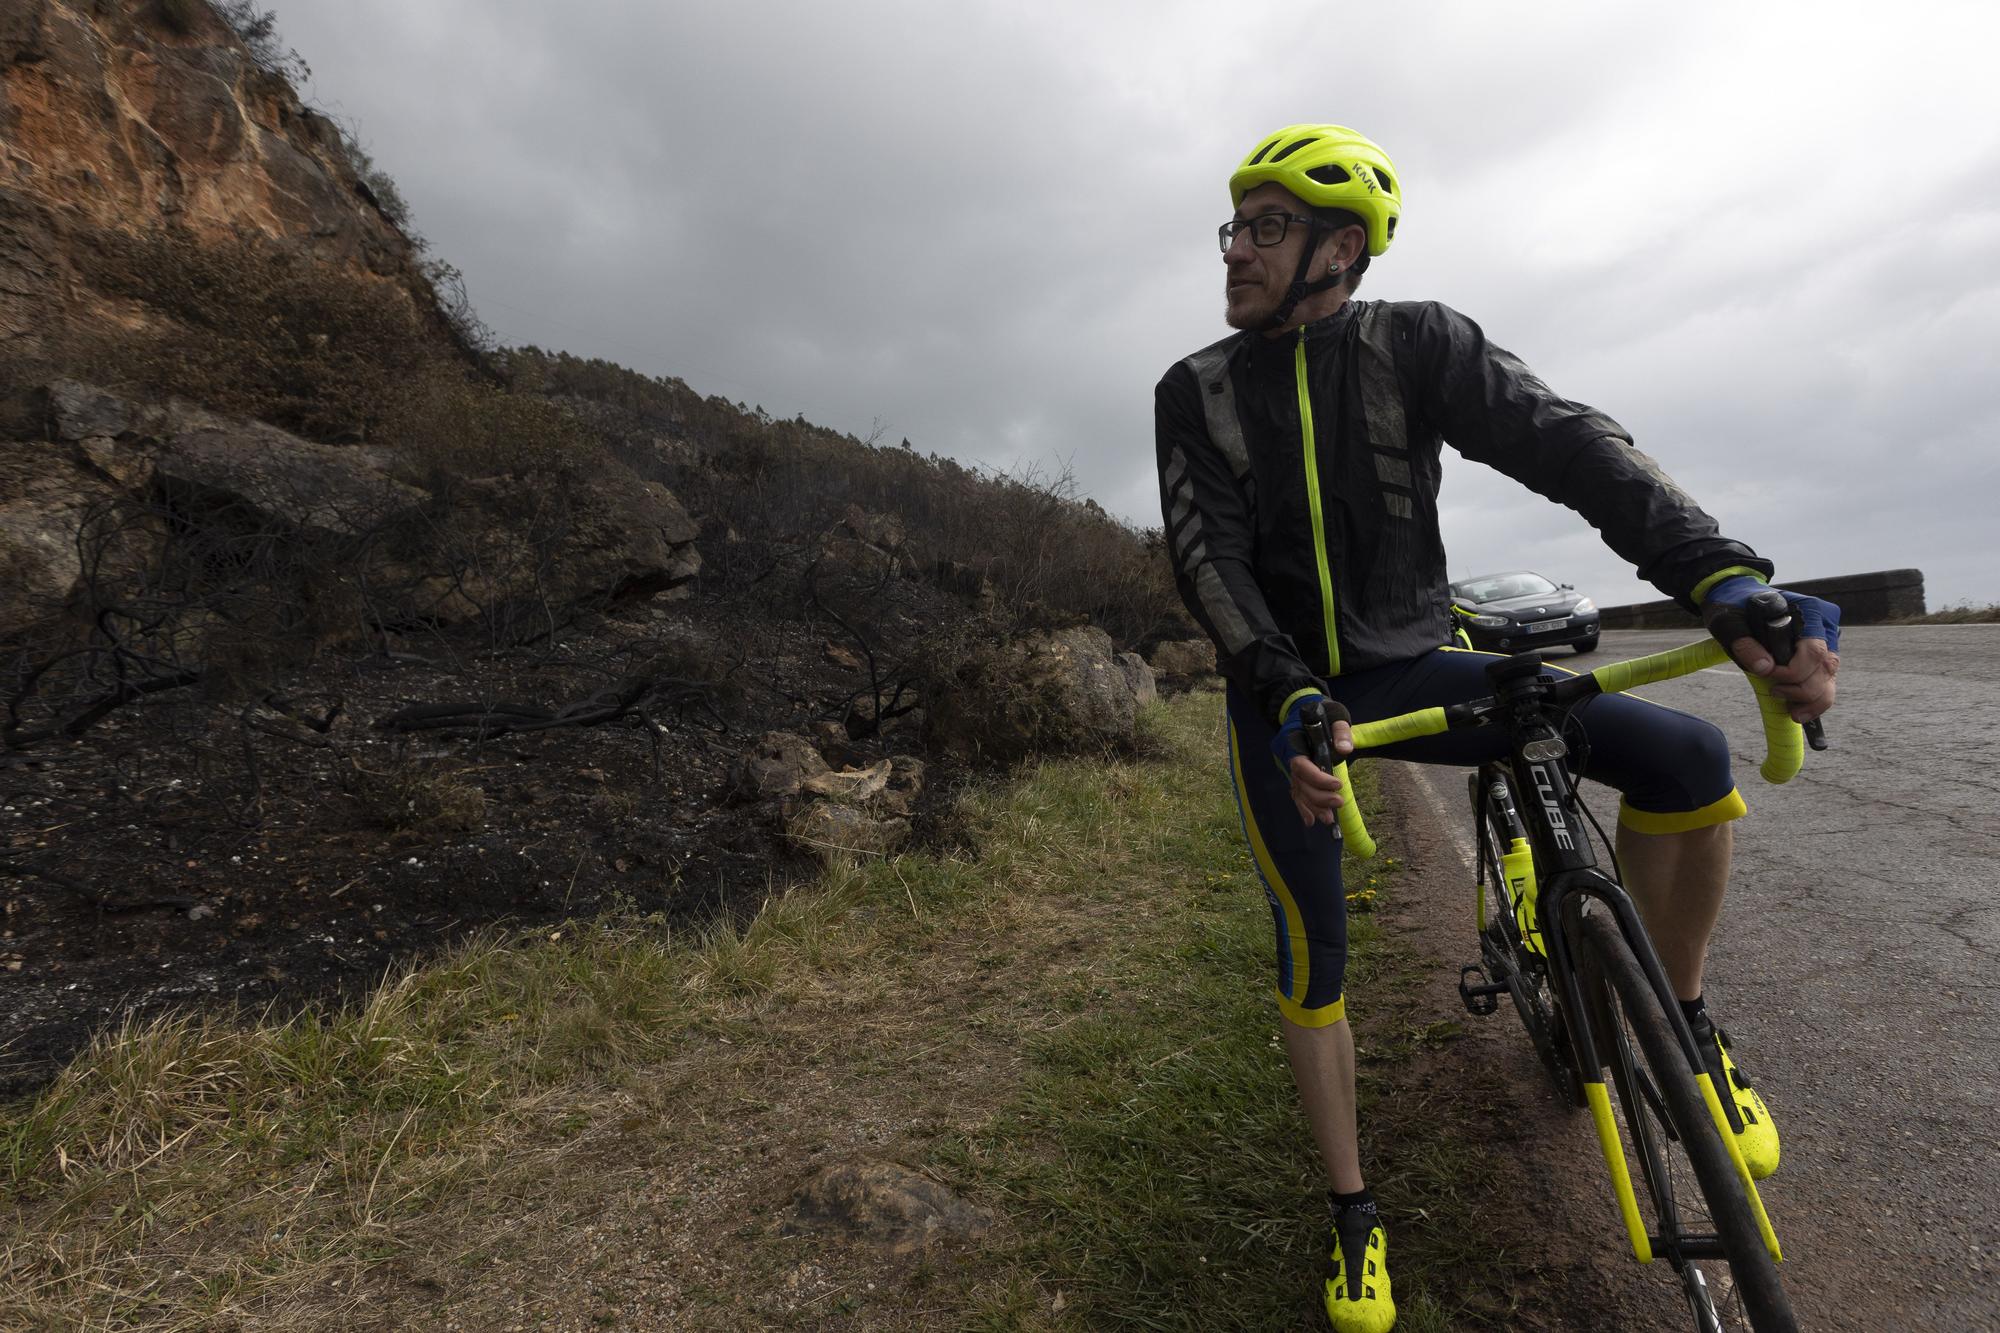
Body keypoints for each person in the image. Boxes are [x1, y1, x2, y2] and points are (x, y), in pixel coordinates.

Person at [1153, 124, 1840, 1332]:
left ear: (1338, 248)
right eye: (1235, 226)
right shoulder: (1194, 388)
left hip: (1421, 658)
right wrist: (1283, 694)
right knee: (1311, 954)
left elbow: (1568, 443)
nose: (1236, 250)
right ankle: (1353, 1213)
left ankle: (1678, 1022)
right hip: (1299, 705)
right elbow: (1209, 567)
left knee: (1685, 757)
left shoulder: (1416, 342)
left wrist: (1718, 577)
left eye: (1265, 227)